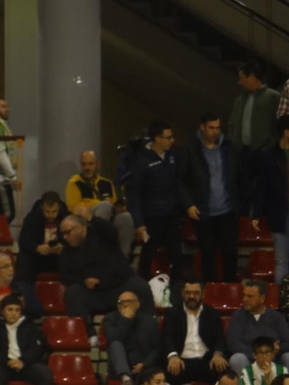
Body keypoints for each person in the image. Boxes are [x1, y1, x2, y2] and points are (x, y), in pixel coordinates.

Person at [58, 214, 154, 330]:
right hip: (94, 294)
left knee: (141, 286)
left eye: (68, 232)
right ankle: (87, 335)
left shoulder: (102, 235)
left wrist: (91, 218)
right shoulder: (66, 251)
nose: (65, 237)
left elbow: (112, 232)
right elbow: (65, 276)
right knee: (72, 293)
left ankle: (148, 330)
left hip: (120, 286)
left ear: (79, 227)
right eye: (63, 234)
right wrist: (83, 281)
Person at [181, 113, 240, 284]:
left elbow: (238, 176)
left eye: (217, 128)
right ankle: (210, 290)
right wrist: (188, 204)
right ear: (202, 127)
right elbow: (180, 180)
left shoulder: (228, 147)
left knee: (230, 252)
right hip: (203, 210)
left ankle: (230, 288)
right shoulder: (191, 149)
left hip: (227, 209)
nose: (215, 132)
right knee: (208, 254)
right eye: (211, 128)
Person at [127, 121, 187, 281]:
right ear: (157, 138)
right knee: (147, 256)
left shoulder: (173, 157)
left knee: (177, 256)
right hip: (152, 218)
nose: (172, 140)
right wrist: (139, 223)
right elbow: (134, 194)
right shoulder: (141, 161)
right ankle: (144, 291)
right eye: (168, 137)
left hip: (172, 216)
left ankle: (175, 293)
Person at [252, 113, 289, 283]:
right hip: (279, 213)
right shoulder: (268, 157)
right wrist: (257, 214)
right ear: (286, 132)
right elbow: (261, 187)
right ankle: (283, 301)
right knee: (281, 260)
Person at [0, 295, 54, 385]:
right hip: (4, 365)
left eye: (17, 310)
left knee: (45, 374)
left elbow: (36, 348)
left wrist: (22, 361)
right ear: (2, 311)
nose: (14, 313)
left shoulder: (30, 327)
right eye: (10, 309)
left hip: (26, 365)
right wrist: (7, 361)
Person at [65, 150, 135, 256]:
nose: (87, 167)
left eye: (90, 164)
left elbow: (113, 203)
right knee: (104, 206)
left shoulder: (106, 183)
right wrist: (99, 203)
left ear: (97, 164)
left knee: (126, 217)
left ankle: (122, 258)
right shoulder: (74, 183)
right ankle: (97, 250)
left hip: (107, 218)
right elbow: (73, 207)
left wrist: (118, 208)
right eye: (84, 164)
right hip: (85, 219)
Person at [162, 280, 230, 385]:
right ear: (183, 294)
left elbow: (219, 338)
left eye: (196, 293)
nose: (192, 296)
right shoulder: (172, 313)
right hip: (181, 361)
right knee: (167, 374)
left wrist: (218, 354)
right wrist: (173, 356)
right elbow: (167, 338)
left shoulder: (212, 313)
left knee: (224, 372)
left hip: (207, 361)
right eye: (188, 293)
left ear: (203, 294)